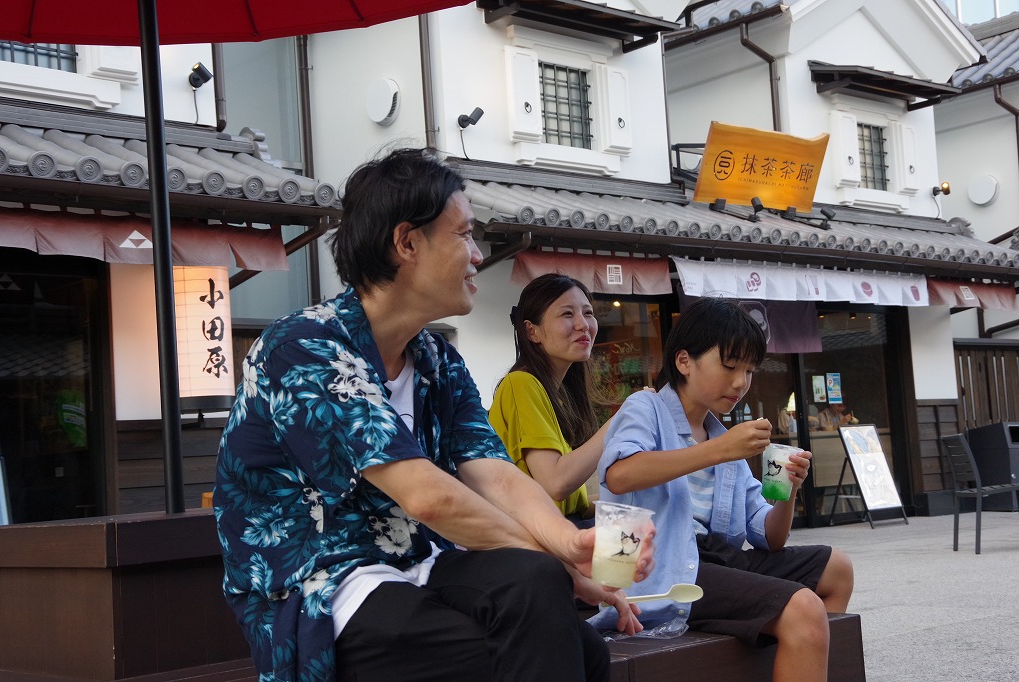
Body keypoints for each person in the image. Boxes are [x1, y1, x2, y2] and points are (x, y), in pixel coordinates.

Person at [213, 148, 654, 682]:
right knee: (515, 645)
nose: (477, 255)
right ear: (406, 243)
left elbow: (496, 475)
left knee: (573, 632)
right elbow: (428, 496)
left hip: (418, 561)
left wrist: (567, 545)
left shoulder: (437, 359)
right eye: (464, 234)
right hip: (323, 583)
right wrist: (565, 559)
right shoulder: (305, 348)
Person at [593, 297, 854, 682]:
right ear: (684, 361)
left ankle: (800, 656)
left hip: (717, 562)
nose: (741, 382)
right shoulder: (645, 408)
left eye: (749, 370)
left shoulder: (722, 436)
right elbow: (618, 475)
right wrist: (720, 450)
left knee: (837, 569)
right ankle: (799, 637)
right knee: (804, 609)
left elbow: (769, 538)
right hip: (661, 570)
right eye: (730, 366)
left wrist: (788, 490)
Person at [489, 273, 610, 526]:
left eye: (588, 313)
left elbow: (570, 506)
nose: (583, 325)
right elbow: (555, 483)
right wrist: (622, 419)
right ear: (532, 331)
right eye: (567, 314)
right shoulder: (520, 383)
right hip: (532, 540)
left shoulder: (558, 394)